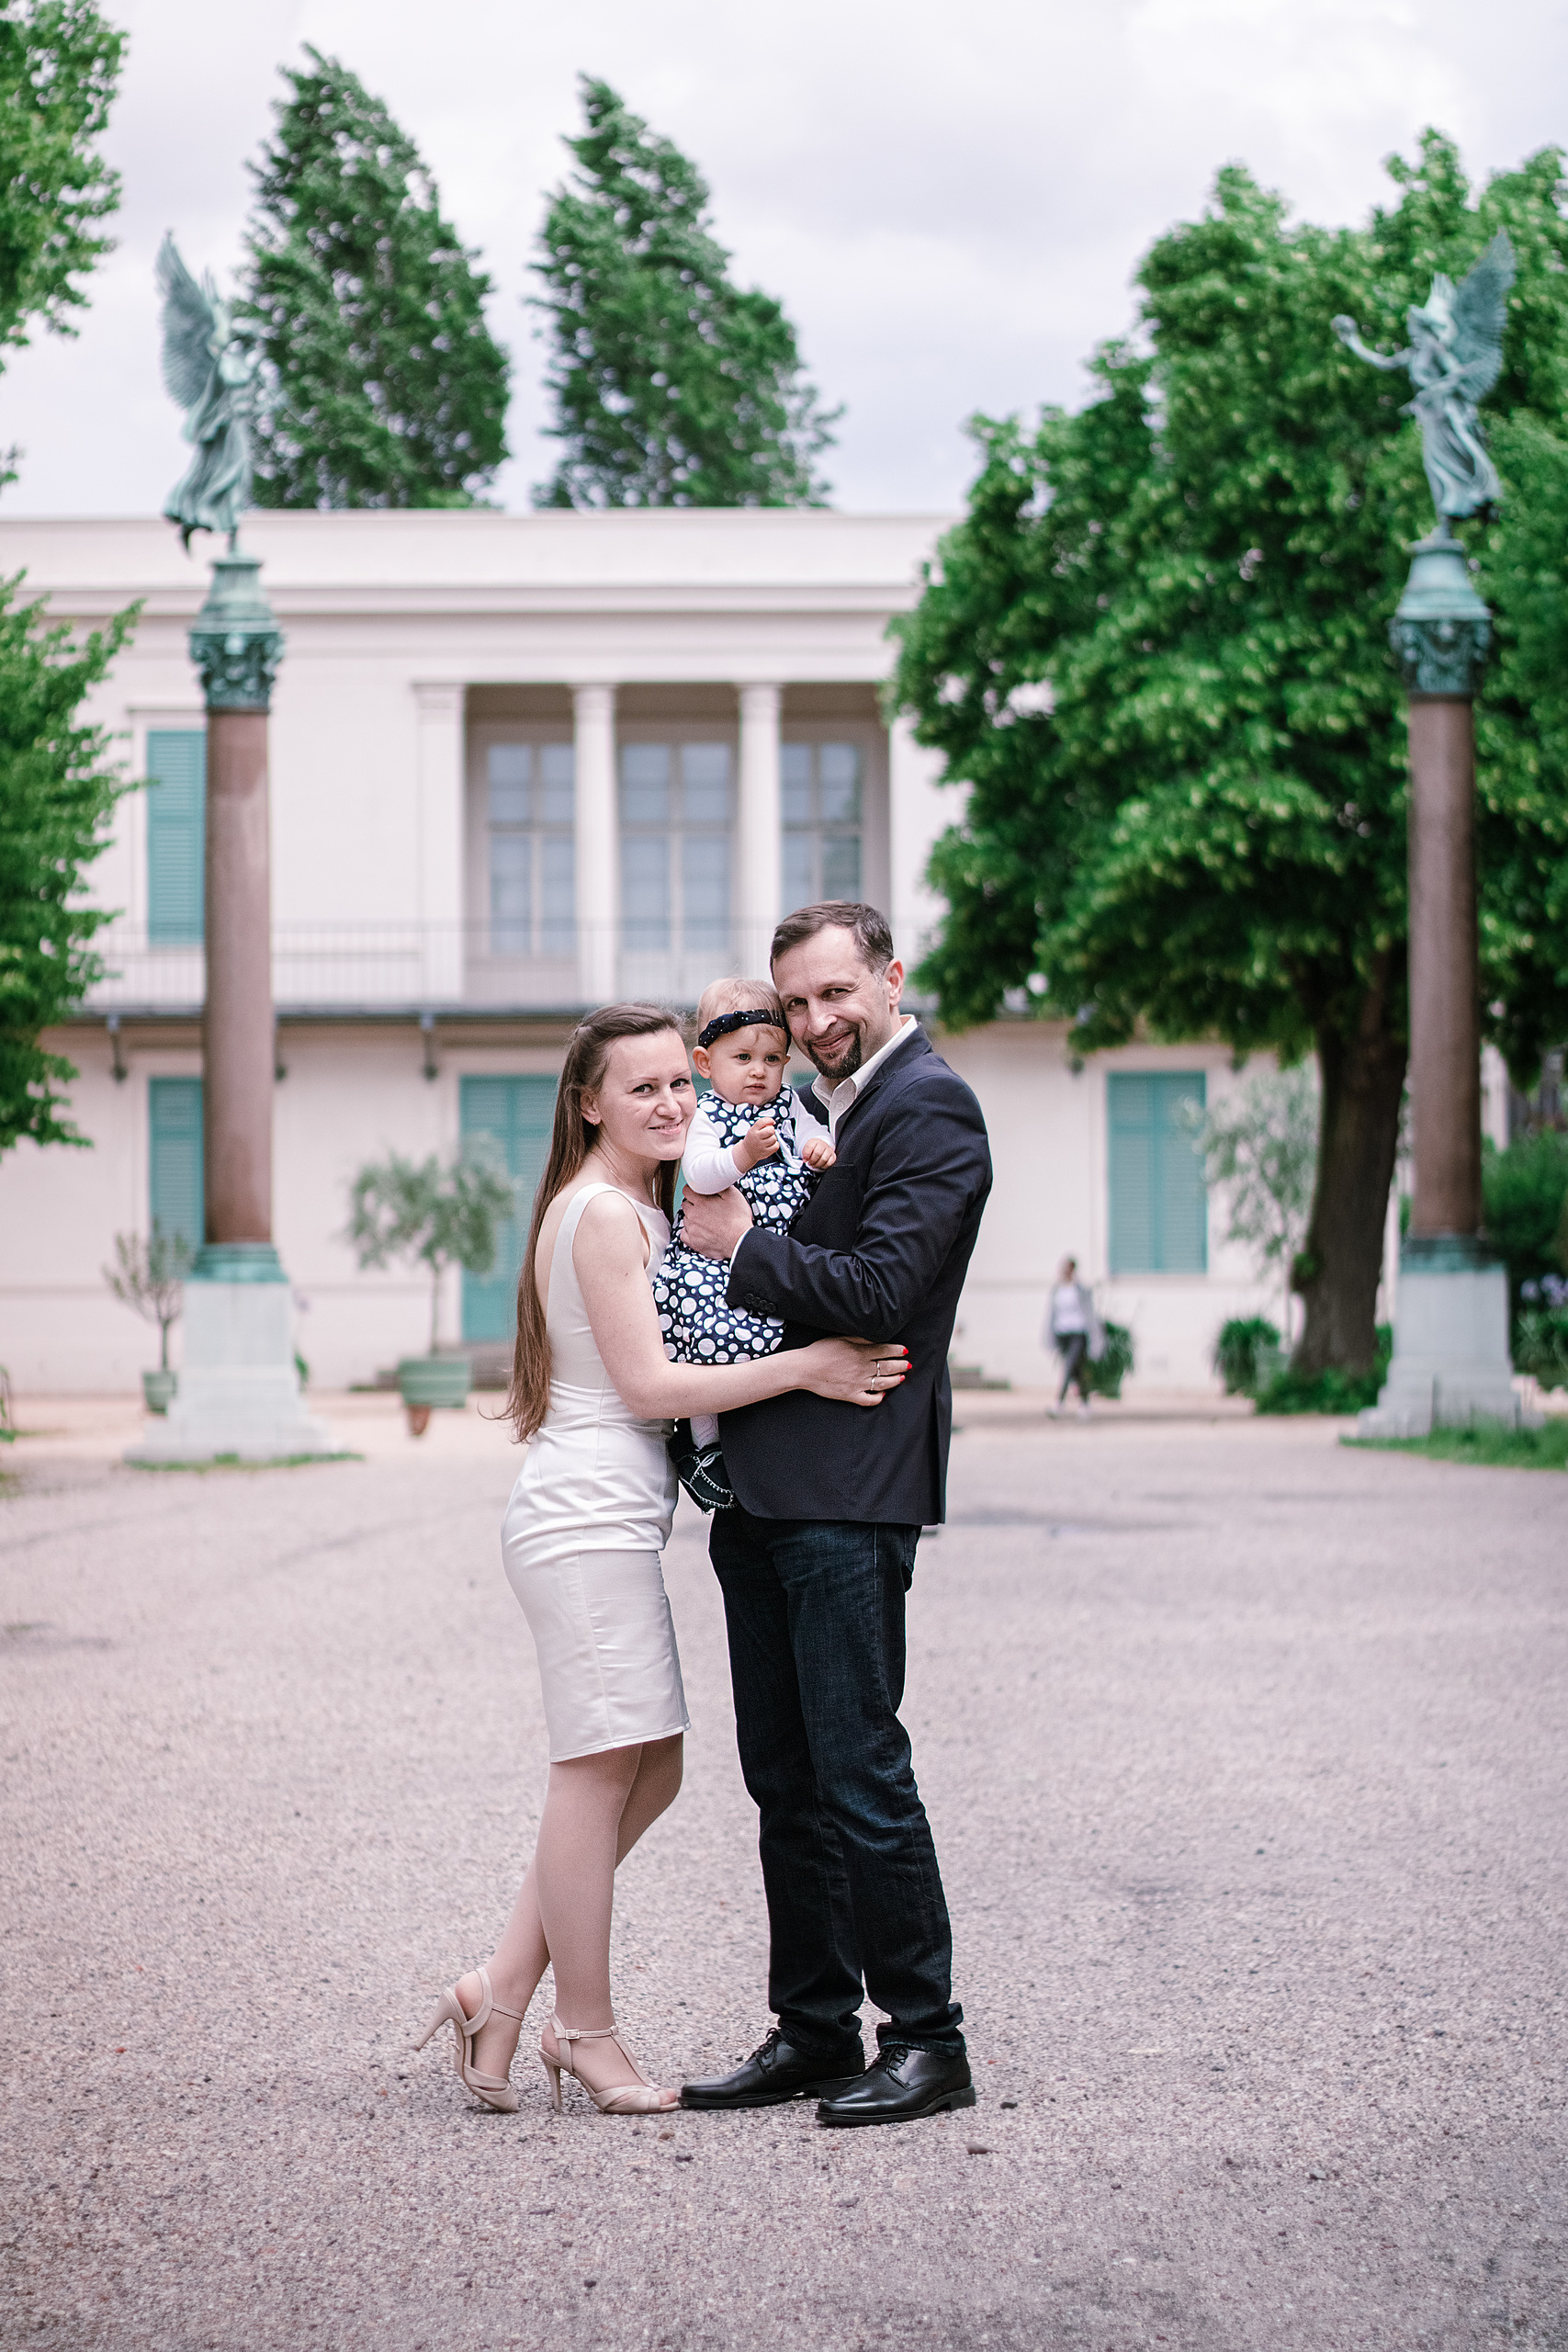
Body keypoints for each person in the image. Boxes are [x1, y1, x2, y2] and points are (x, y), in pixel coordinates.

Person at [415, 1003, 907, 2119]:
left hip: (603, 1520)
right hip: (584, 1523)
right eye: (640, 1090)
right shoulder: (604, 1216)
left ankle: (496, 1994)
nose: (673, 1105)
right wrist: (809, 1365)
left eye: (677, 1085)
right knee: (594, 1773)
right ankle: (583, 2034)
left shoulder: (637, 1202)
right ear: (589, 1103)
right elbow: (648, 1390)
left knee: (655, 1769)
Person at [677, 903, 993, 2128]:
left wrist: (743, 1240)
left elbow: (878, 1294)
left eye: (831, 996)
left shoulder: (931, 1109)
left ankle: (926, 2038)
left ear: (889, 977)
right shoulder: (812, 1112)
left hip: (852, 1486)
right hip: (763, 1478)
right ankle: (813, 2028)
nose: (811, 1023)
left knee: (859, 1770)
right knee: (782, 1778)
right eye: (792, 1003)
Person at [652, 976, 835, 1510]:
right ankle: (702, 1442)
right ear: (706, 1065)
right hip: (710, 1260)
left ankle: (742, 1443)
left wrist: (819, 1150)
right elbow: (703, 1174)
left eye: (773, 1059)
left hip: (765, 1256)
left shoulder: (791, 1108)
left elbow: (809, 1144)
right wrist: (745, 1155)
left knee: (759, 1344)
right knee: (702, 1340)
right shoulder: (708, 1116)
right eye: (743, 1058)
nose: (759, 1071)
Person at [1047, 1255, 1102, 1417]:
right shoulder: (1057, 1290)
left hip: (1079, 1331)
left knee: (1068, 1366)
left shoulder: (1080, 1289)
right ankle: (1085, 1403)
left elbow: (1090, 1312)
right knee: (1076, 1371)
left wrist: (1096, 1335)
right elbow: (1052, 1314)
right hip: (1062, 1333)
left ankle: (1059, 1402)